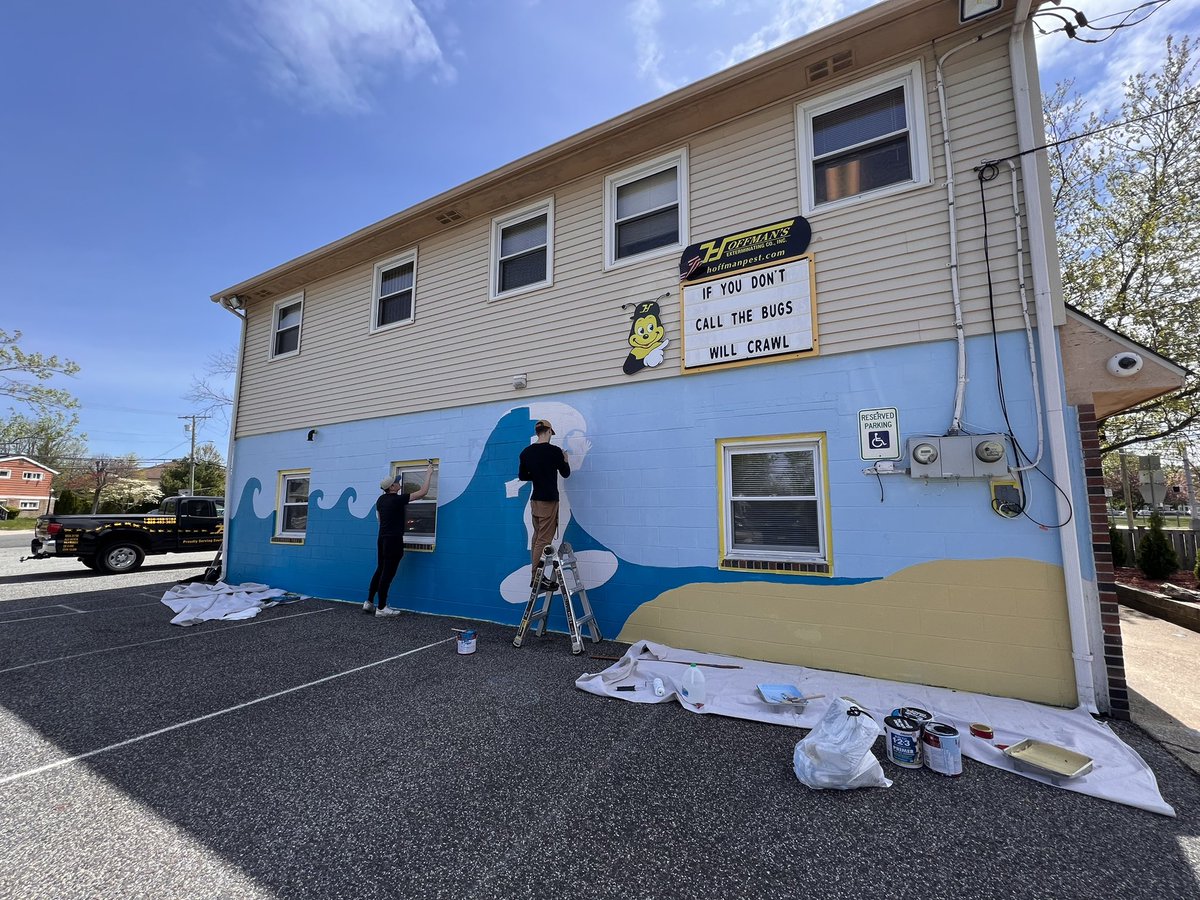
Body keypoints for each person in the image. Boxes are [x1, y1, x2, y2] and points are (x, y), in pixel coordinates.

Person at [365, 462, 434, 617]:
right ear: (392, 487)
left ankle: (369, 602)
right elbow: (423, 492)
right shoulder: (396, 500)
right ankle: (381, 608)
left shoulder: (380, 500)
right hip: (393, 540)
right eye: (396, 482)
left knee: (380, 569)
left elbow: (380, 521)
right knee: (387, 574)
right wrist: (429, 473)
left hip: (382, 538)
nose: (399, 482)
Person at [518, 419, 570, 588]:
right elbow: (566, 473)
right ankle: (537, 578)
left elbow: (522, 476)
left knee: (537, 538)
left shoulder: (526, 452)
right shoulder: (554, 452)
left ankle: (536, 576)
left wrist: (537, 474)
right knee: (543, 540)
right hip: (548, 501)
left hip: (535, 501)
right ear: (548, 432)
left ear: (537, 433)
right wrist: (565, 459)